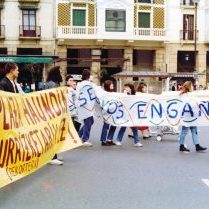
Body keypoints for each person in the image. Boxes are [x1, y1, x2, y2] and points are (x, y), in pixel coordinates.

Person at [179, 81, 207, 153]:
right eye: (192, 86)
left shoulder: (182, 95)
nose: (193, 87)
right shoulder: (190, 95)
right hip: (189, 116)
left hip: (188, 116)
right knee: (188, 131)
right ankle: (183, 146)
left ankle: (195, 145)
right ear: (190, 87)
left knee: (190, 130)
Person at [45, 66, 63, 165]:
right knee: (53, 134)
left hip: (50, 112)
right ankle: (52, 156)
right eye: (60, 71)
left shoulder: (50, 83)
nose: (61, 73)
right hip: (53, 113)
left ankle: (53, 155)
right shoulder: (53, 85)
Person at [76, 69, 96, 147]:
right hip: (89, 105)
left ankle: (78, 136)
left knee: (90, 121)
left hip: (82, 105)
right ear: (89, 76)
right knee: (88, 122)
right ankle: (84, 139)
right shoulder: (90, 84)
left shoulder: (79, 84)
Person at [100, 80, 117, 146]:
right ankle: (103, 140)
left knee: (114, 125)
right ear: (108, 86)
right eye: (111, 84)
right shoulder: (104, 94)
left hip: (113, 111)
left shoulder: (113, 93)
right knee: (106, 126)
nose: (113, 85)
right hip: (107, 112)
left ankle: (109, 139)